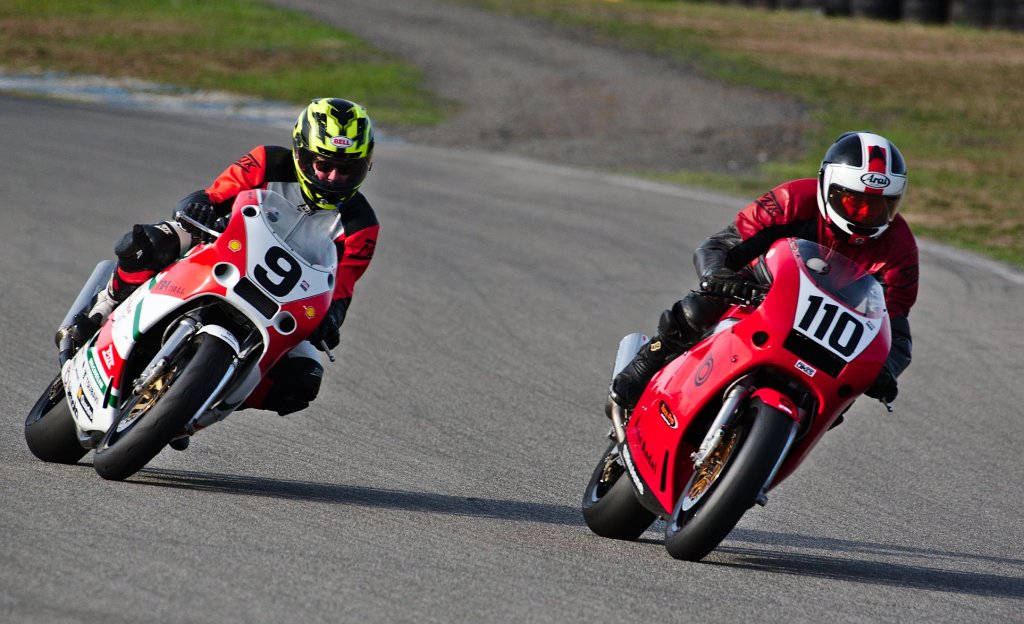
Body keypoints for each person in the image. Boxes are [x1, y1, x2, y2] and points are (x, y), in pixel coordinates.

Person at [58, 98, 380, 426]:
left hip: (281, 301)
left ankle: (199, 400)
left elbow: (341, 290)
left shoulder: (362, 224)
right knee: (147, 243)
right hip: (221, 248)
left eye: (346, 170)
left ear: (364, 167)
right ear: (300, 153)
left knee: (302, 379)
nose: (332, 178)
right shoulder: (267, 161)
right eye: (323, 165)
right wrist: (198, 207)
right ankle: (104, 308)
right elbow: (214, 194)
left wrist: (331, 319)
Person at [610, 131, 918, 410]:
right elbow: (721, 245)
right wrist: (715, 275)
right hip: (764, 286)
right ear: (828, 187)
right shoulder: (792, 200)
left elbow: (894, 325)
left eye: (878, 207)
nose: (864, 215)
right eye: (853, 203)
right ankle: (648, 360)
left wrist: (886, 369)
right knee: (701, 306)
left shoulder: (899, 248)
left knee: (842, 394)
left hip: (831, 323)